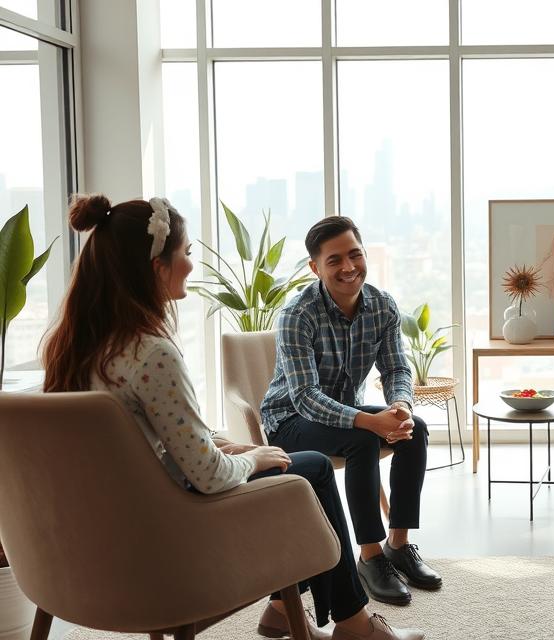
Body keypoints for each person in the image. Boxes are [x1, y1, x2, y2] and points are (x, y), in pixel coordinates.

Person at [42, 195, 424, 640]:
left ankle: (285, 608)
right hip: (170, 524)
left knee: (309, 458)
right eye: (185, 254)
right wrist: (255, 460)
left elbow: (158, 439)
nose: (190, 265)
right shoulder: (153, 354)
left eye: (355, 253)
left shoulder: (75, 349)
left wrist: (235, 446)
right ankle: (354, 620)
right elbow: (207, 474)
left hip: (108, 528)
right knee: (313, 469)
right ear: (155, 267)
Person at [261, 216, 441, 607]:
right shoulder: (298, 314)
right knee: (362, 439)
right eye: (334, 260)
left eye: (355, 254)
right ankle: (370, 556)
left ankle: (398, 544)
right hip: (289, 420)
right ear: (315, 267)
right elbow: (305, 395)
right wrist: (369, 421)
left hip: (346, 413)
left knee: (417, 429)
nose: (348, 267)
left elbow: (396, 368)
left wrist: (400, 407)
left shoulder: (382, 305)